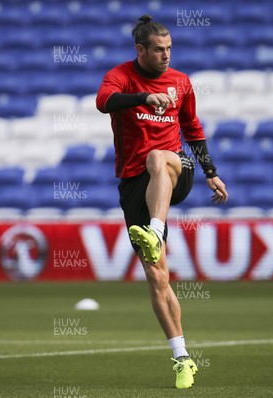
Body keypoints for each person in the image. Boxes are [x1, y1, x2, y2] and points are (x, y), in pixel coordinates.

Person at [96, 14, 228, 389]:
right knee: (158, 277)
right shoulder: (121, 76)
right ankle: (182, 357)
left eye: (169, 49)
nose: (166, 56)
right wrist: (142, 97)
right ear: (140, 50)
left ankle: (154, 229)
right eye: (158, 50)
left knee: (159, 156)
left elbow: (193, 129)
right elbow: (103, 102)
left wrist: (210, 172)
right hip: (135, 184)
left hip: (175, 169)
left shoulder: (181, 83)